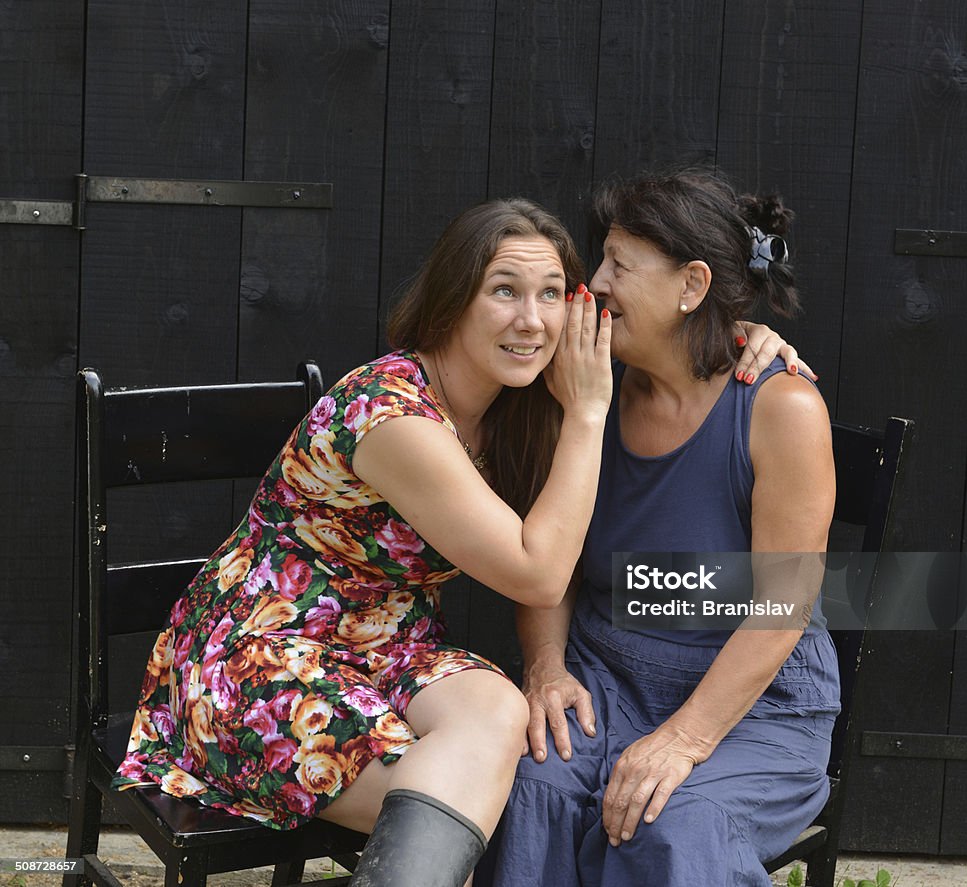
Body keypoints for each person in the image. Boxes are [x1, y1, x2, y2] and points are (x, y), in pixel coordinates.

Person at [113, 195, 804, 887]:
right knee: (486, 786)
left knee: (501, 715)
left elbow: (678, 344)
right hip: (261, 660)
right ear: (451, 301)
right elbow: (539, 574)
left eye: (551, 294)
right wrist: (589, 414)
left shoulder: (523, 397)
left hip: (390, 652)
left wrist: (734, 328)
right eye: (503, 291)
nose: (533, 319)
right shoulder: (392, 414)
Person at [475, 169, 840, 887]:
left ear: (692, 286)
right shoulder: (583, 386)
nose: (595, 284)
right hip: (607, 674)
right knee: (529, 786)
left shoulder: (780, 409)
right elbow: (546, 560)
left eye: (619, 264)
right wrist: (547, 668)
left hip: (751, 704)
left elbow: (782, 606)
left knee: (669, 823)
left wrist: (685, 737)